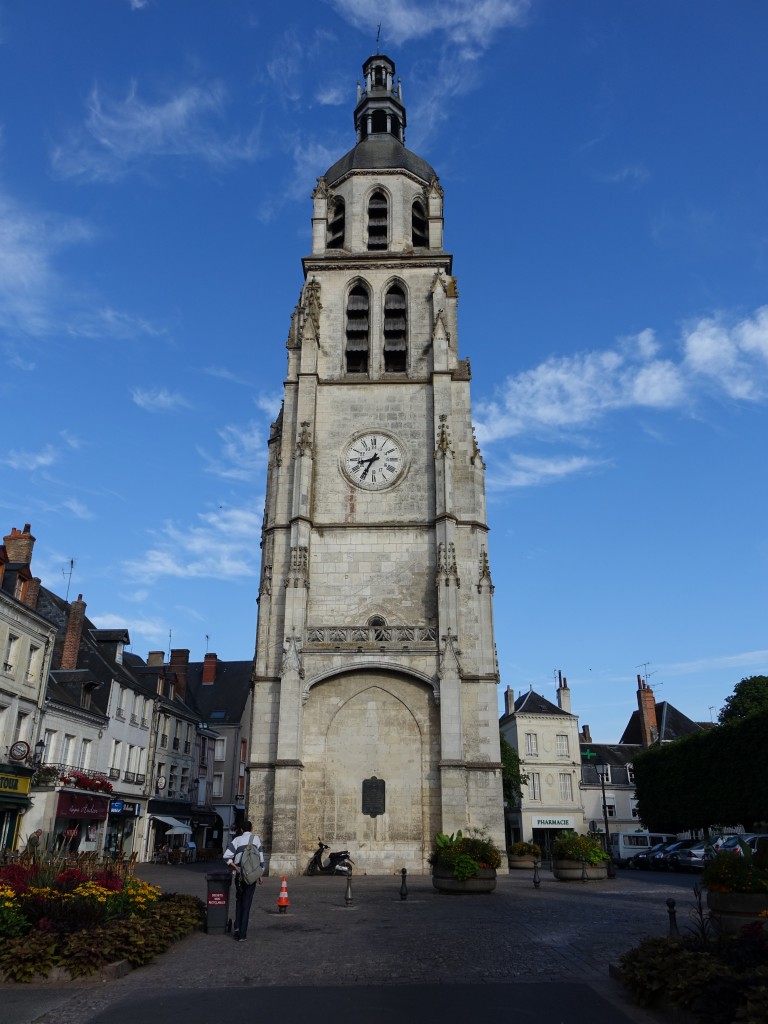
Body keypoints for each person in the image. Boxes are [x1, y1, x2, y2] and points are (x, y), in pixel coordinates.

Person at [223, 821, 264, 942]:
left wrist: (235, 867)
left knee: (239, 901)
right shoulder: (256, 839)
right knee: (247, 903)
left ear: (241, 829)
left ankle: (237, 928)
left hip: (239, 877)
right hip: (251, 877)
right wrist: (260, 875)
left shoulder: (237, 840)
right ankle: (242, 934)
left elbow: (226, 857)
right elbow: (260, 860)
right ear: (251, 828)